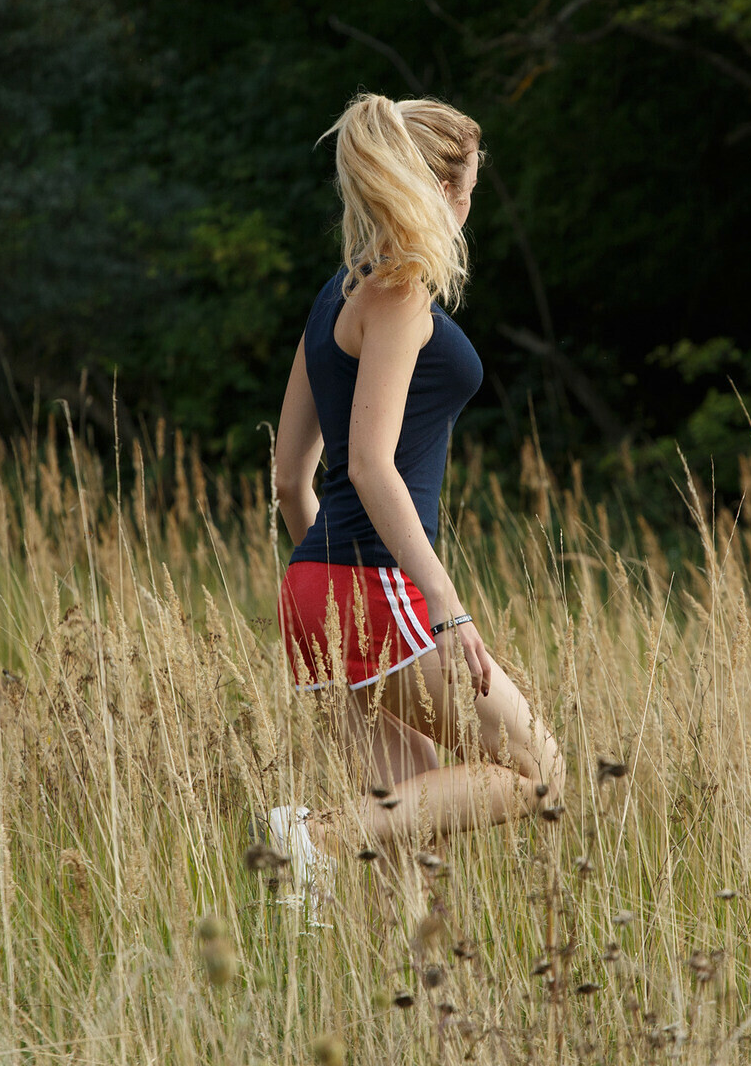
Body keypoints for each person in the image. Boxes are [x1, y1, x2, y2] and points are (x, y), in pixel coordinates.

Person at [265, 92, 566, 897]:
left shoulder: (336, 293)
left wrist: (327, 583)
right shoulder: (399, 294)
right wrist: (446, 606)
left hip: (313, 582)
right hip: (373, 583)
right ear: (437, 190)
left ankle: (344, 934)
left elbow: (290, 477)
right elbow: (370, 465)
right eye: (468, 191)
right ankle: (311, 837)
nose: (469, 210)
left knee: (406, 837)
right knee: (539, 772)